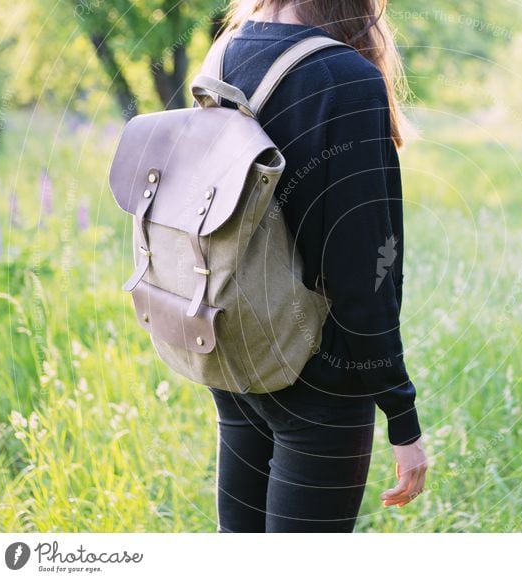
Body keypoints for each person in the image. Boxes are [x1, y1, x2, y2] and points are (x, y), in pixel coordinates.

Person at [205, 0, 428, 532]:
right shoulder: (344, 78)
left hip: (230, 343)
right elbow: (366, 274)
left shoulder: (224, 52)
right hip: (320, 374)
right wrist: (402, 416)